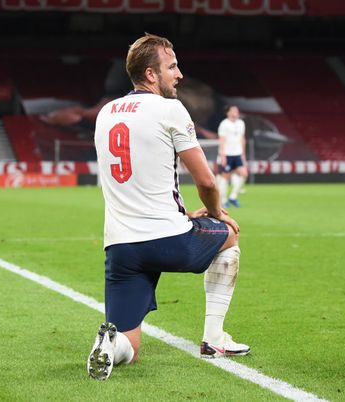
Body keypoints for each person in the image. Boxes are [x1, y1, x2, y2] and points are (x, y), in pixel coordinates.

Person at [89, 33, 249, 381]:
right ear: (150, 74)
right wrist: (218, 214)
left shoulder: (105, 114)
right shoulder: (169, 108)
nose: (178, 74)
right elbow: (206, 181)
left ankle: (107, 346)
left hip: (121, 247)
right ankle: (214, 338)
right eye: (172, 66)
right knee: (229, 236)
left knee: (129, 345)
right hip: (166, 238)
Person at [216, 105, 248, 208]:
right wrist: (223, 156)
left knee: (244, 173)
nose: (235, 112)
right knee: (225, 177)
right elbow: (221, 141)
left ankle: (233, 197)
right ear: (228, 112)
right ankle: (223, 200)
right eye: (233, 111)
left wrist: (243, 154)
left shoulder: (241, 123)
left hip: (237, 154)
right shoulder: (224, 124)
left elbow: (242, 139)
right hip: (227, 154)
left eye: (237, 111)